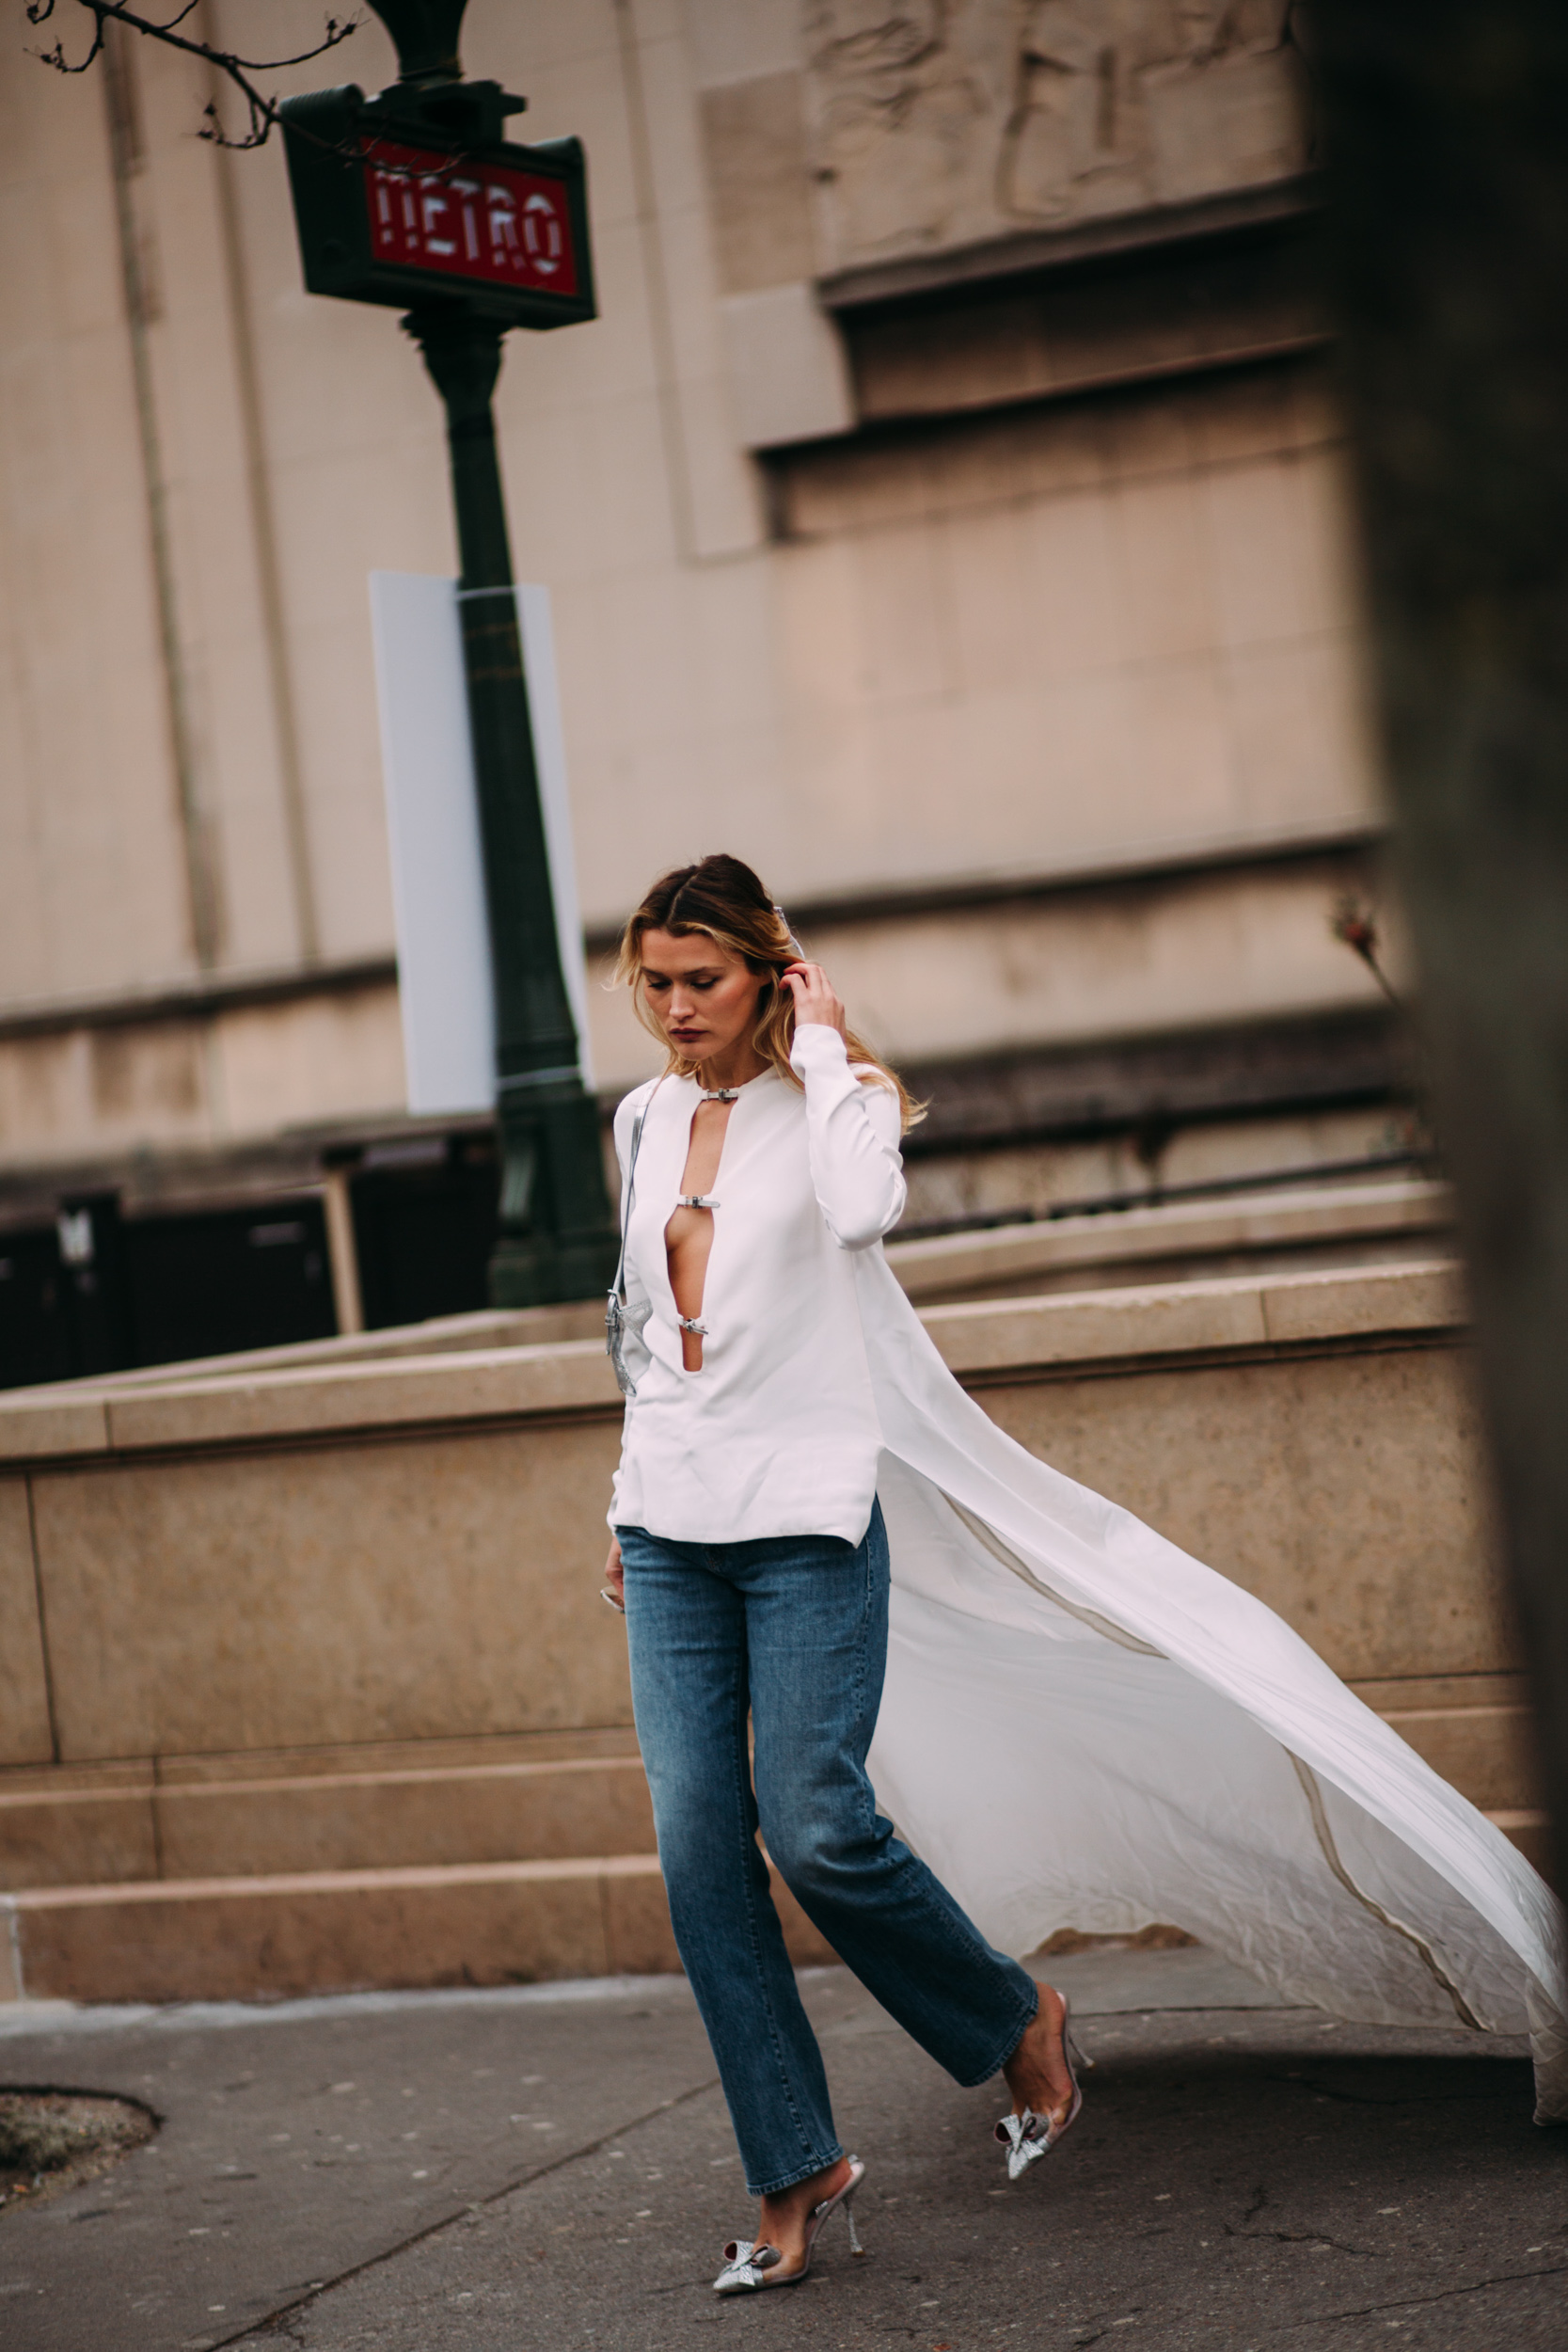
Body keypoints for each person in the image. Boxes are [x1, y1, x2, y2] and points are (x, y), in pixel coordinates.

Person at [602, 855, 1568, 2296]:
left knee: (814, 1826)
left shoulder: (838, 1110)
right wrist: (624, 1507)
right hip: (668, 1529)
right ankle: (794, 2161)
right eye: (655, 985)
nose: (675, 1012)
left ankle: (1016, 2019)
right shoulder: (640, 1118)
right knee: (696, 1856)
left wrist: (817, 1048)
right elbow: (634, 1327)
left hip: (808, 1519)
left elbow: (862, 1220)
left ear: (768, 973)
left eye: (704, 981)